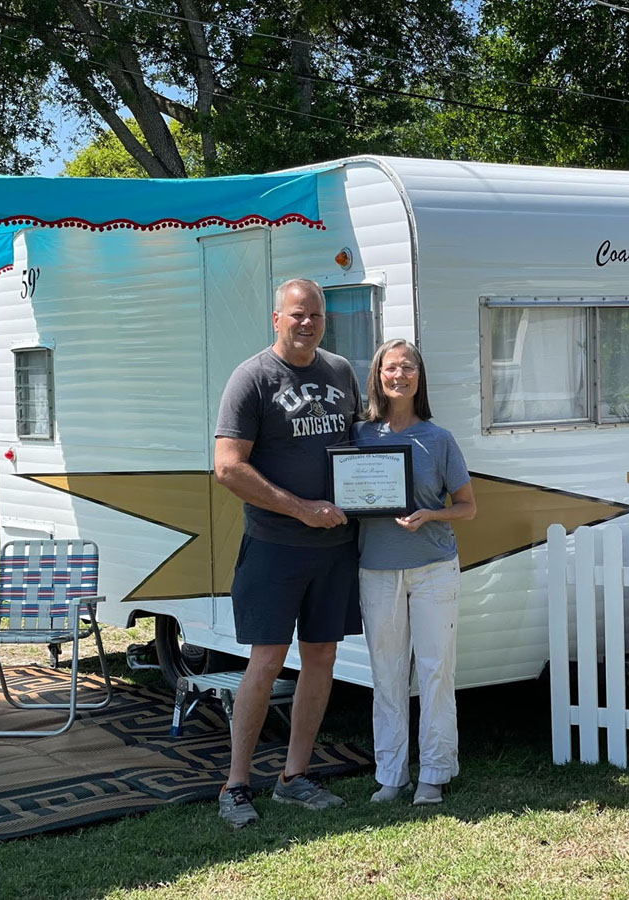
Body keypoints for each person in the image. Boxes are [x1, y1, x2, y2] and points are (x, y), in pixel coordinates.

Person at [212, 277, 362, 829]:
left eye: (316, 316)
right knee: (267, 661)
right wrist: (300, 508)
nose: (306, 323)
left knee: (322, 656)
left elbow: (359, 445)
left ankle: (294, 777)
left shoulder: (341, 371)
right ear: (276, 318)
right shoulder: (252, 378)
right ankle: (236, 785)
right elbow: (228, 467)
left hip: (335, 548)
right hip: (275, 547)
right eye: (297, 314)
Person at [354, 338, 476, 806]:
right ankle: (391, 775)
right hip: (377, 570)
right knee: (385, 676)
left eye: (408, 368)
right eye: (390, 368)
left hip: (433, 569)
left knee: (435, 672)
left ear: (419, 378)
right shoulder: (359, 436)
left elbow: (466, 507)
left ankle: (435, 773)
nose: (399, 375)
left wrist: (430, 515)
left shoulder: (438, 439)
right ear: (378, 376)